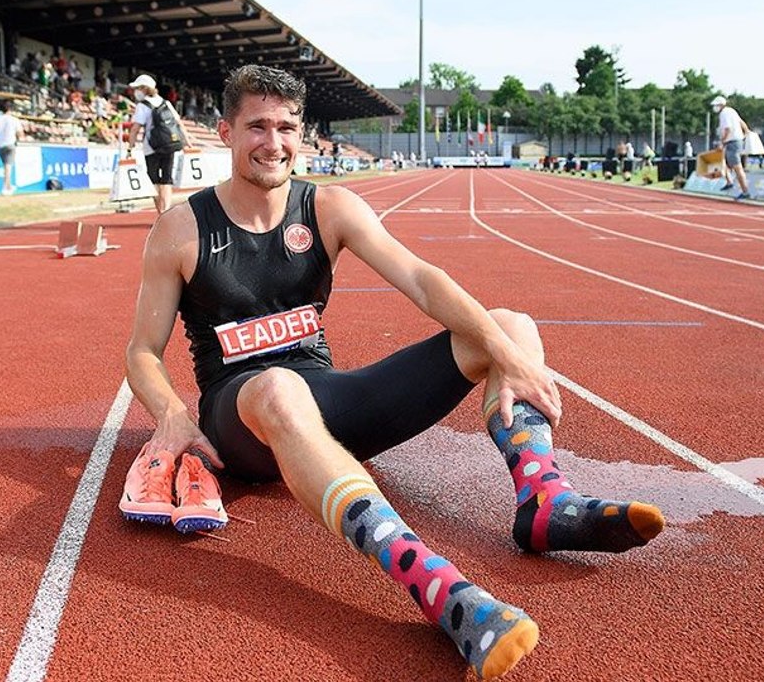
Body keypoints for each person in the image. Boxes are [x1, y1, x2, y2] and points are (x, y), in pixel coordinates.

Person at [118, 65, 665, 680]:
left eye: (288, 127)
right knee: (278, 387)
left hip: (328, 398)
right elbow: (143, 350)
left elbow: (418, 277)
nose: (275, 142)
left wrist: (503, 352)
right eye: (258, 127)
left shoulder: (327, 207)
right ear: (225, 132)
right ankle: (433, 584)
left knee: (510, 326)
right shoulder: (181, 229)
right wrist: (172, 415)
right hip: (244, 414)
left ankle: (545, 503)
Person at [127, 73, 191, 214]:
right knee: (167, 179)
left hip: (152, 147)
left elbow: (136, 128)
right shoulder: (166, 103)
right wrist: (187, 141)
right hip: (170, 143)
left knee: (153, 179)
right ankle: (166, 210)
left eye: (137, 88)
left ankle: (160, 211)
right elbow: (179, 123)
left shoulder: (143, 106)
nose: (135, 92)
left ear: (144, 89)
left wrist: (129, 148)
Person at [711, 96, 750, 199]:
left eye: (716, 105)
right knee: (722, 161)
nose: (714, 108)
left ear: (720, 105)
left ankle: (745, 191)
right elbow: (741, 122)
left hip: (732, 141)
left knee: (737, 167)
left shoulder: (724, 113)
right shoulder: (732, 111)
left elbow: (728, 129)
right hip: (735, 141)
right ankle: (729, 181)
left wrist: (722, 142)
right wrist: (746, 132)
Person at [0, 99, 23, 195]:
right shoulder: (14, 119)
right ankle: (5, 187)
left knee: (6, 165)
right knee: (8, 166)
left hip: (0, 145)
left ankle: (9, 186)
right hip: (10, 144)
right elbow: (20, 133)